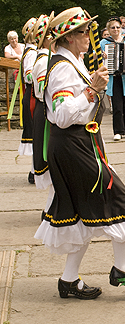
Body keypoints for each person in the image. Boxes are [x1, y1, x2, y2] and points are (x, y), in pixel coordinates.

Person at [34, 6, 125, 300]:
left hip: (79, 144)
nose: (88, 36)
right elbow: (63, 115)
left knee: (84, 212)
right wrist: (91, 90)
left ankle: (69, 281)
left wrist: (92, 84)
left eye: (88, 30)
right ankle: (121, 269)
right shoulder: (63, 67)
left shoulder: (70, 62)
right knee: (118, 199)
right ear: (67, 39)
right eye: (81, 32)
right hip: (73, 145)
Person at [101, 16, 125, 141]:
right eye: (113, 27)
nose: (116, 29)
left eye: (118, 27)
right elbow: (98, 62)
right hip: (114, 77)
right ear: (109, 29)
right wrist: (103, 57)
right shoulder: (104, 43)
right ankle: (118, 131)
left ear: (121, 28)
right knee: (117, 106)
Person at [31, 12, 54, 193]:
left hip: (46, 109)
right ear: (45, 40)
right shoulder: (43, 60)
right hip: (45, 110)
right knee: (49, 157)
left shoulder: (46, 57)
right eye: (51, 36)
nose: (54, 39)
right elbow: (43, 90)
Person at [19, 17, 38, 184]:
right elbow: (30, 76)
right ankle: (34, 171)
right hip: (32, 96)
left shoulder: (30, 50)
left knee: (36, 134)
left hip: (31, 95)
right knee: (35, 134)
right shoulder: (32, 53)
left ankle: (35, 170)